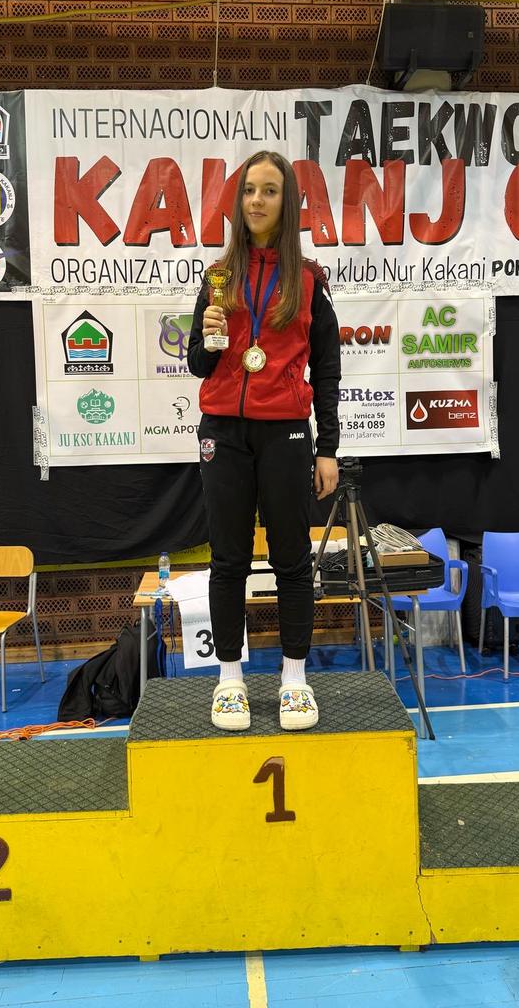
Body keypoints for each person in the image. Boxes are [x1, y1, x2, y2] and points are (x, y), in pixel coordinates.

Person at [187, 150, 341, 732]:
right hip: (223, 433)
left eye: (270, 190)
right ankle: (230, 680)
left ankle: (294, 679)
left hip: (286, 433)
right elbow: (198, 365)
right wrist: (209, 341)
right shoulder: (217, 277)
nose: (257, 199)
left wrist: (327, 448)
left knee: (291, 560)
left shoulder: (308, 282)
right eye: (250, 189)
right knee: (227, 559)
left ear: (287, 202)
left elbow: (327, 369)